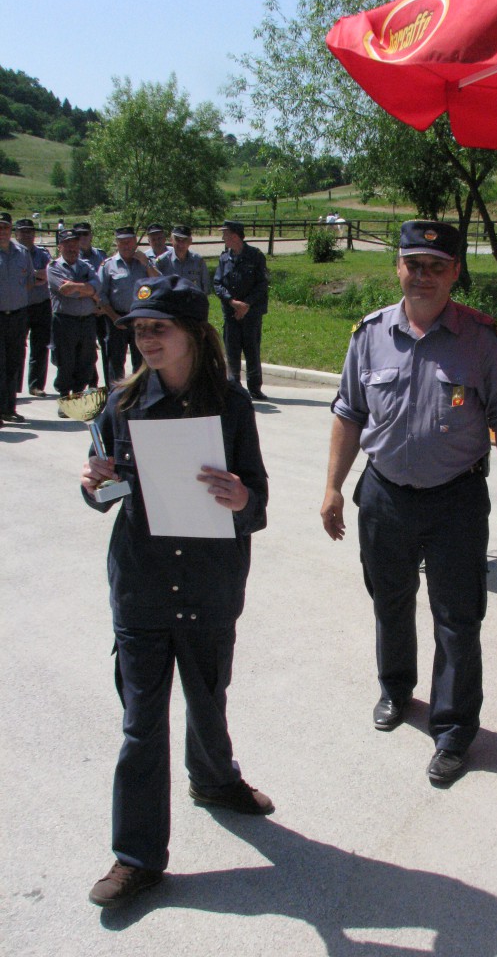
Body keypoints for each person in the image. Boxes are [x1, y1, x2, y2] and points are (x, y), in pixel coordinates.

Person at [81, 275, 271, 908]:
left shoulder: (233, 404)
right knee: (141, 725)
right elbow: (104, 500)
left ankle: (215, 781)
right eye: (139, 330)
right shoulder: (123, 405)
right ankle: (136, 857)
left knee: (209, 694)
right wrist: (94, 481)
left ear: (194, 333)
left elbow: (259, 497)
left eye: (158, 328)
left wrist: (243, 498)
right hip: (141, 583)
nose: (146, 340)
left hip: (211, 581)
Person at [320, 220, 497, 785]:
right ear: (399, 268)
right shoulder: (369, 333)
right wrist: (334, 485)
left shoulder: (482, 340)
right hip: (384, 493)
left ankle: (455, 731)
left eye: (437, 266)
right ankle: (394, 689)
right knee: (389, 601)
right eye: (415, 264)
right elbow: (348, 411)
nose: (425, 276)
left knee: (458, 619)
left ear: (456, 272)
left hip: (456, 499)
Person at [213, 220, 269, 401]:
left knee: (252, 351)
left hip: (251, 314)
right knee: (232, 352)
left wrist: (246, 305)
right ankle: (234, 387)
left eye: (226, 234)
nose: (223, 238)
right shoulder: (224, 258)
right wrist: (232, 302)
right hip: (231, 314)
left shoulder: (256, 256)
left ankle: (255, 388)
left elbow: (262, 284)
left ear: (235, 235)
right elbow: (218, 284)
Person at [47, 228, 102, 411]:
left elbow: (97, 286)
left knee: (85, 361)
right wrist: (88, 290)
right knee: (66, 361)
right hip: (65, 321)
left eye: (75, 244)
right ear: (60, 246)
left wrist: (82, 288)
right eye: (68, 245)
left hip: (86, 320)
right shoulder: (54, 267)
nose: (72, 248)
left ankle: (77, 399)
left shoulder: (86, 266)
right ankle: (64, 401)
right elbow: (66, 292)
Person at [99, 226, 158, 384]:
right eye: (122, 242)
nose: (126, 245)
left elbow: (158, 282)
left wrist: (146, 264)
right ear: (116, 244)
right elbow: (101, 295)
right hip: (117, 318)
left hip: (140, 318)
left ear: (135, 243)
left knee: (142, 359)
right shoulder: (108, 265)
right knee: (115, 360)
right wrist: (114, 317)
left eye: (129, 242)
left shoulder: (144, 262)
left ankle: (140, 394)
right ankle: (116, 396)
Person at [0, 212, 34, 425]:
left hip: (18, 315)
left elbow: (29, 281)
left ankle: (8, 408)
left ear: (11, 229)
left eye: (5, 227)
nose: (2, 232)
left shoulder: (22, 252)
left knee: (13, 363)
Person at [14, 218, 52, 399]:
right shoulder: (13, 254)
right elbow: (16, 278)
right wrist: (35, 275)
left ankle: (36, 385)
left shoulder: (43, 254)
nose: (27, 234)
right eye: (23, 231)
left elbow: (49, 273)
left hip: (41, 305)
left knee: (40, 346)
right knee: (16, 347)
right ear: (16, 234)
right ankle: (13, 386)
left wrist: (30, 275)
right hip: (20, 306)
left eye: (30, 231)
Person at [74, 222, 109, 387]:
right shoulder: (73, 256)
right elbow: (76, 286)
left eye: (85, 234)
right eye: (79, 235)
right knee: (86, 350)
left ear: (91, 235)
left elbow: (107, 281)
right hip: (85, 309)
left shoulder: (101, 255)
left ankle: (110, 384)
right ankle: (91, 382)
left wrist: (102, 304)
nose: (82, 238)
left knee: (107, 348)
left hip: (103, 309)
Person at [156, 225, 210, 293]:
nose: (181, 244)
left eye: (184, 240)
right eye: (177, 240)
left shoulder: (198, 261)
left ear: (190, 241)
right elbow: (157, 289)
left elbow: (206, 288)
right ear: (171, 240)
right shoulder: (162, 262)